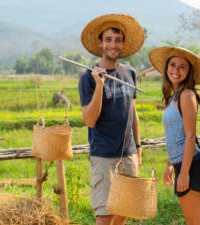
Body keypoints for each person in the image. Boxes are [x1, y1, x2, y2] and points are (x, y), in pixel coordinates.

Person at [78, 14, 145, 225]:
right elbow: (89, 120)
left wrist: (138, 149)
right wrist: (99, 85)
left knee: (124, 211)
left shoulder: (129, 74)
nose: (113, 45)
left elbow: (131, 113)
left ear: (123, 43)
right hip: (103, 155)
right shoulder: (88, 77)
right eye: (108, 39)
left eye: (117, 40)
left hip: (128, 154)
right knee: (105, 215)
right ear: (100, 43)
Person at [149, 46, 200, 225]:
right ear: (167, 67)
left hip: (190, 166)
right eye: (173, 65)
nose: (176, 70)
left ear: (189, 72)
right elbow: (176, 134)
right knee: (198, 222)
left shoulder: (186, 95)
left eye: (182, 67)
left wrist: (184, 173)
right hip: (182, 163)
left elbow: (191, 136)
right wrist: (170, 163)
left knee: (195, 222)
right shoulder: (174, 96)